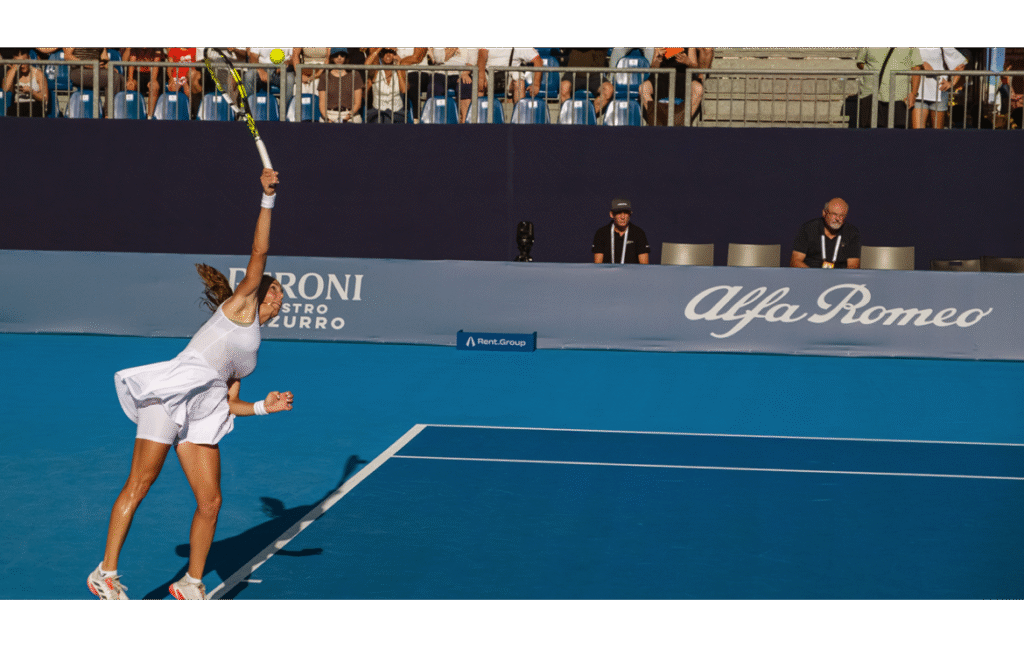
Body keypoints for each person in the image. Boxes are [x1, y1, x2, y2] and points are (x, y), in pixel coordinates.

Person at [87, 168, 294, 601]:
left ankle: (191, 583)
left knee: (211, 501)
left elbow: (228, 402)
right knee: (140, 484)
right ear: (255, 293)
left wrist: (262, 407)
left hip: (204, 409)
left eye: (278, 295)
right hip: (170, 396)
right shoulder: (240, 307)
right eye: (272, 292)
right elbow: (260, 250)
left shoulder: (251, 349)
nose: (276, 297)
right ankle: (104, 573)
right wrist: (267, 198)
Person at [853, 48, 923, 128]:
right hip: (871, 95)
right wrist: (872, 70)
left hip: (900, 97)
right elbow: (860, 62)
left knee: (899, 135)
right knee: (871, 135)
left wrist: (913, 93)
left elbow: (916, 68)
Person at [640, 48, 707, 126]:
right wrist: (658, 59)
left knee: (699, 89)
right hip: (662, 78)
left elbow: (695, 67)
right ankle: (658, 121)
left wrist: (688, 62)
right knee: (643, 89)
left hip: (684, 78)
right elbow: (653, 69)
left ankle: (682, 121)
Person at [790, 198, 861, 269]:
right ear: (824, 213)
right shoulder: (809, 228)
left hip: (839, 277)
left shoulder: (852, 233)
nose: (837, 219)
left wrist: (840, 279)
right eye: (834, 214)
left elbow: (853, 266)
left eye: (842, 216)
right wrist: (814, 276)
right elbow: (795, 261)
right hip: (810, 275)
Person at [913, 48, 967, 129]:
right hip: (918, 93)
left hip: (940, 91)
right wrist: (921, 64)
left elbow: (961, 64)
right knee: (917, 134)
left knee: (937, 135)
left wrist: (951, 83)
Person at [559, 48, 614, 118]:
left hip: (595, 75)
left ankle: (587, 117)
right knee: (564, 87)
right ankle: (569, 117)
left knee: (608, 90)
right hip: (573, 73)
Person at [592, 198, 650, 265]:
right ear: (611, 214)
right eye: (619, 213)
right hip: (608, 274)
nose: (623, 217)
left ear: (630, 214)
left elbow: (644, 266)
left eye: (626, 213)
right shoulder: (602, 233)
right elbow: (597, 265)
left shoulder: (638, 233)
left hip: (632, 274)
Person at [319, 48, 364, 123]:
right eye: (336, 55)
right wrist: (328, 119)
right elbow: (322, 104)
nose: (339, 57)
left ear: (346, 57)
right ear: (332, 57)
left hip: (350, 115)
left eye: (342, 55)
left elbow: (358, 103)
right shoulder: (325, 76)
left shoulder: (355, 75)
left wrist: (346, 118)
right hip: (330, 114)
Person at [364, 47, 407, 123]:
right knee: (384, 120)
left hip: (397, 111)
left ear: (395, 55)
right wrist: (380, 48)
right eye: (384, 52)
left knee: (389, 120)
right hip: (378, 110)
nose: (387, 55)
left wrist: (398, 68)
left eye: (390, 52)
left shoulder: (400, 70)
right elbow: (366, 65)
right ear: (381, 55)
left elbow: (403, 90)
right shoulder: (376, 70)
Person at [3, 48, 49, 117]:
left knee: (34, 110)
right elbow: (5, 88)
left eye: (24, 61)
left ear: (29, 59)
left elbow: (45, 98)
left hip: (34, 105)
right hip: (18, 106)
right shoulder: (13, 73)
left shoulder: (38, 74)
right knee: (11, 112)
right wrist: (14, 68)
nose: (22, 65)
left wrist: (31, 91)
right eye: (19, 63)